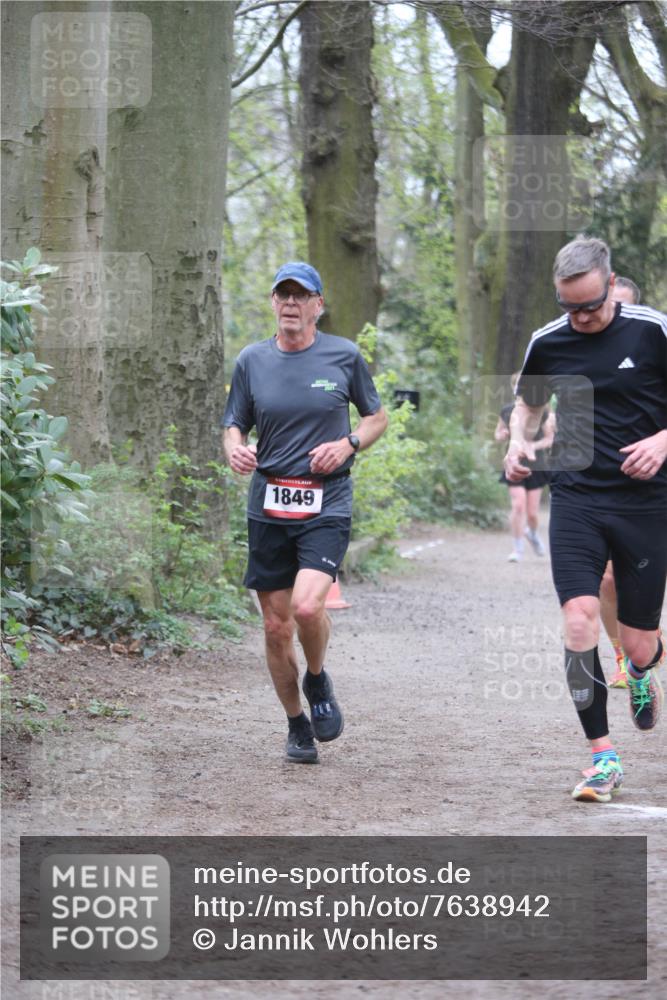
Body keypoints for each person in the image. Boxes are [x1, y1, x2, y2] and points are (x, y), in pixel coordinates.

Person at [504, 237, 667, 804]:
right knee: (578, 620)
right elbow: (528, 403)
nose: (582, 318)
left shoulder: (652, 329)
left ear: (610, 283)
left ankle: (643, 669)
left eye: (592, 306)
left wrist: (663, 441)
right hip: (576, 496)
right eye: (570, 308)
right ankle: (602, 756)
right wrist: (518, 444)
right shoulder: (548, 341)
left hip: (646, 500)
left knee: (640, 642)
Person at [222, 262, 388, 764]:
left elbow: (376, 417)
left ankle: (317, 678)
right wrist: (235, 447)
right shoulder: (252, 360)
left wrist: (349, 443)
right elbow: (234, 422)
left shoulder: (344, 356)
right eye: (283, 295)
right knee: (275, 628)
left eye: (301, 295)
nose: (291, 304)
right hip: (269, 502)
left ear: (319, 304)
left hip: (325, 501)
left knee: (308, 608)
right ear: (273, 303)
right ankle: (296, 723)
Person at [601, 276, 642, 688]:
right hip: (605, 485)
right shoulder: (580, 350)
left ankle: (647, 635)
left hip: (656, 482)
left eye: (622, 308)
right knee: (608, 577)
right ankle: (621, 655)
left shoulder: (653, 345)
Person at [494, 373, 554, 562]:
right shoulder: (506, 411)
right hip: (515, 462)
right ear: (514, 388)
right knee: (518, 505)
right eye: (517, 384)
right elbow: (498, 434)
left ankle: (533, 534)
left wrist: (532, 446)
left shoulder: (543, 410)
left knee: (532, 514)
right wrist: (502, 434)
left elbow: (549, 439)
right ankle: (517, 549)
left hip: (536, 464)